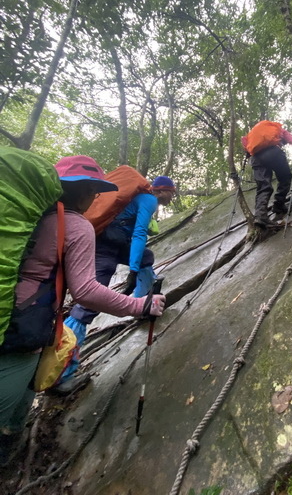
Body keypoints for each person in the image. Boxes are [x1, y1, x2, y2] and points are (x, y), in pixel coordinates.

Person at [0, 155, 166, 464]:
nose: (97, 198)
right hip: (22, 325)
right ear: (87, 191)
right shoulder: (75, 224)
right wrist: (140, 305)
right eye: (94, 191)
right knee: (10, 404)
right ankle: (61, 377)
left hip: (11, 308)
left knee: (22, 400)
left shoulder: (32, 215)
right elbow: (86, 291)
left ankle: (14, 447)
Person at [58, 174, 176, 391]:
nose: (173, 196)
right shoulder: (149, 200)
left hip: (113, 243)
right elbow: (140, 233)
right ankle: (62, 373)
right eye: (172, 192)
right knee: (86, 308)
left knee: (147, 258)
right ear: (162, 190)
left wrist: (137, 262)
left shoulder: (142, 199)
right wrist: (132, 268)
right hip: (105, 248)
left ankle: (143, 302)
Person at [241, 120, 292, 228]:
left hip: (255, 158)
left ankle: (260, 216)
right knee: (285, 177)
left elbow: (245, 144)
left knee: (263, 187)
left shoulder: (253, 134)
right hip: (274, 153)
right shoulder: (278, 129)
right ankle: (279, 205)